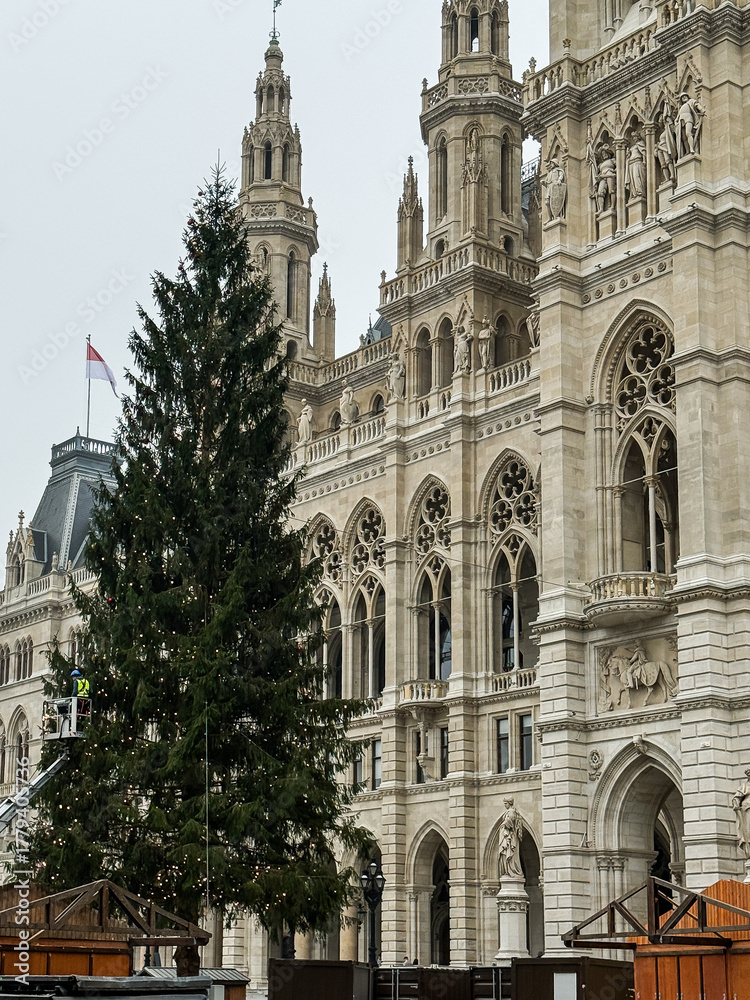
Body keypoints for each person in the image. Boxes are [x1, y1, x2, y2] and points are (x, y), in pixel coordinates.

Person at [498, 796, 524, 879]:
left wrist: (503, 825)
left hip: (510, 837)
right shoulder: (509, 812)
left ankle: (512, 871)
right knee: (506, 855)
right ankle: (508, 871)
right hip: (508, 836)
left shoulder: (511, 811)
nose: (505, 805)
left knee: (510, 855)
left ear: (510, 803)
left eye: (505, 803)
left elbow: (510, 823)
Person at [732, 768, 750, 859]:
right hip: (747, 811)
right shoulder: (745, 786)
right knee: (748, 832)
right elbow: (736, 798)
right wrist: (736, 804)